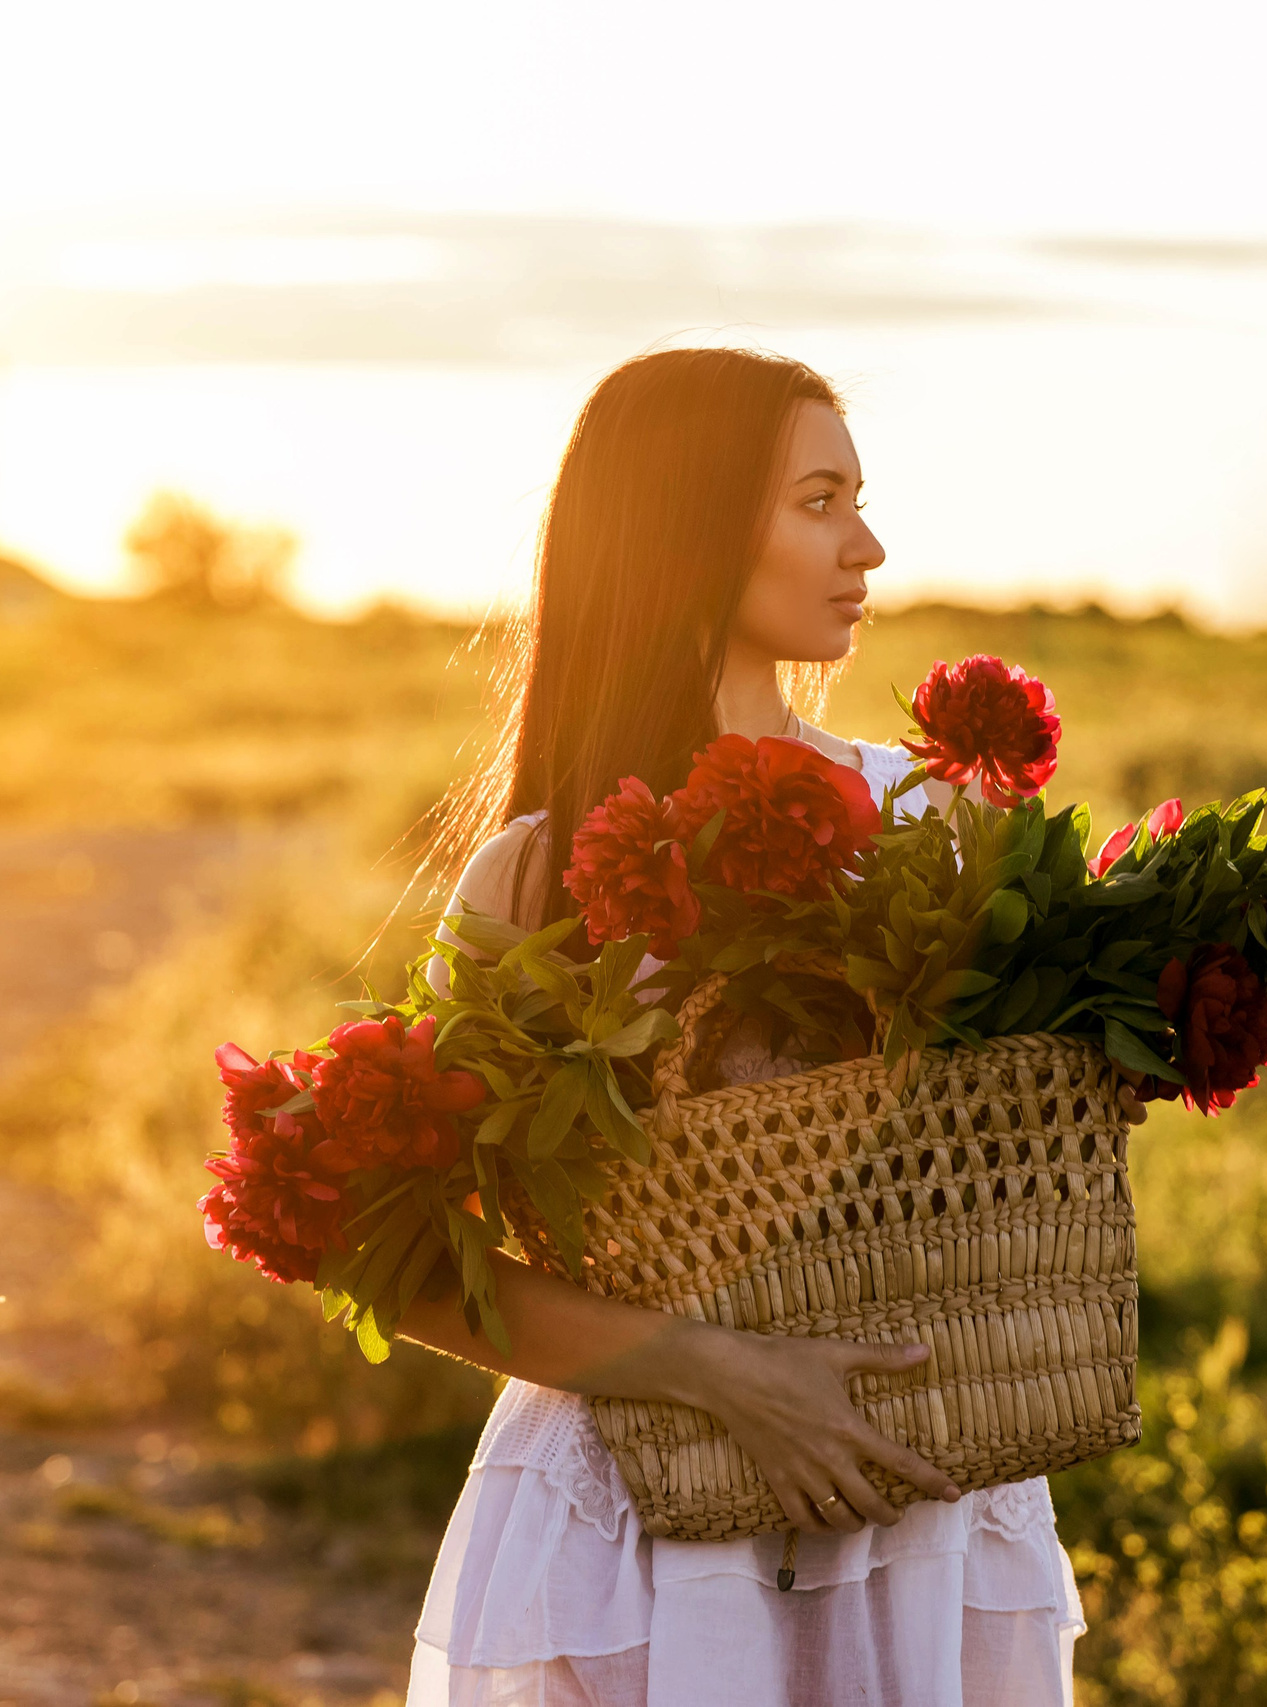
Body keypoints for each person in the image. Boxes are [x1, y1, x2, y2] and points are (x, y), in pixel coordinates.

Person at [396, 346, 1146, 1706]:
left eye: (856, 499)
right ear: (689, 524)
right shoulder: (533, 870)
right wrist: (718, 1372)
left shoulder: (932, 824)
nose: (866, 544)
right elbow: (412, 1264)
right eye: (817, 500)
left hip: (918, 1522)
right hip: (642, 1545)